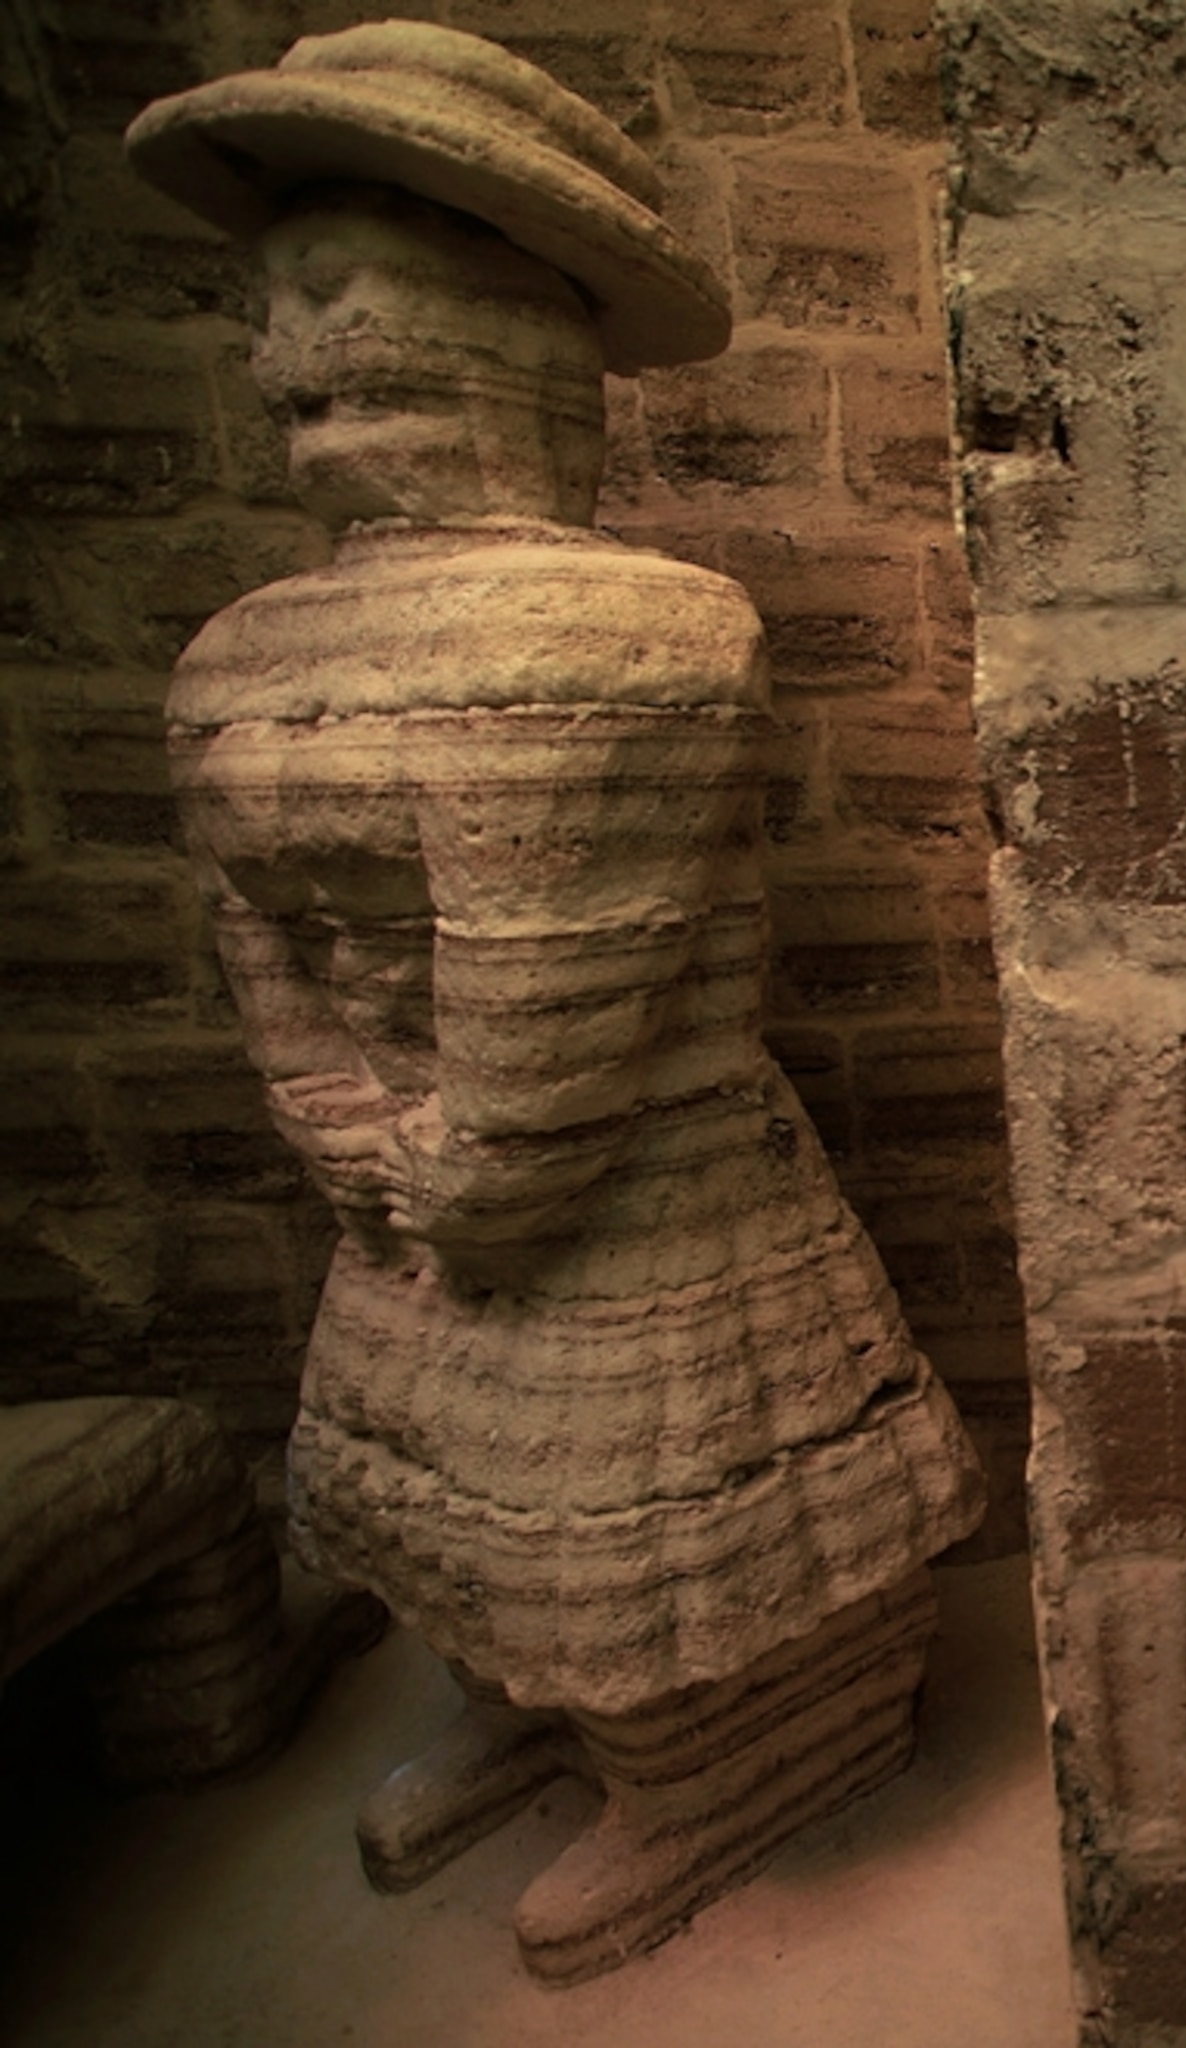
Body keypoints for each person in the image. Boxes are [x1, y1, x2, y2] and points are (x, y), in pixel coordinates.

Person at [129, 23, 986, 1980]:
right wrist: (344, 1130)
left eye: (332, 293)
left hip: (611, 1194)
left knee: (641, 1537)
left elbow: (549, 978)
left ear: (498, 305)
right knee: (463, 1514)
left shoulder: (635, 638)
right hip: (418, 1202)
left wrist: (472, 1173)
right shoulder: (242, 654)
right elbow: (256, 936)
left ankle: (696, 1773)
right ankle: (537, 1706)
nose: (281, 357)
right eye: (266, 306)